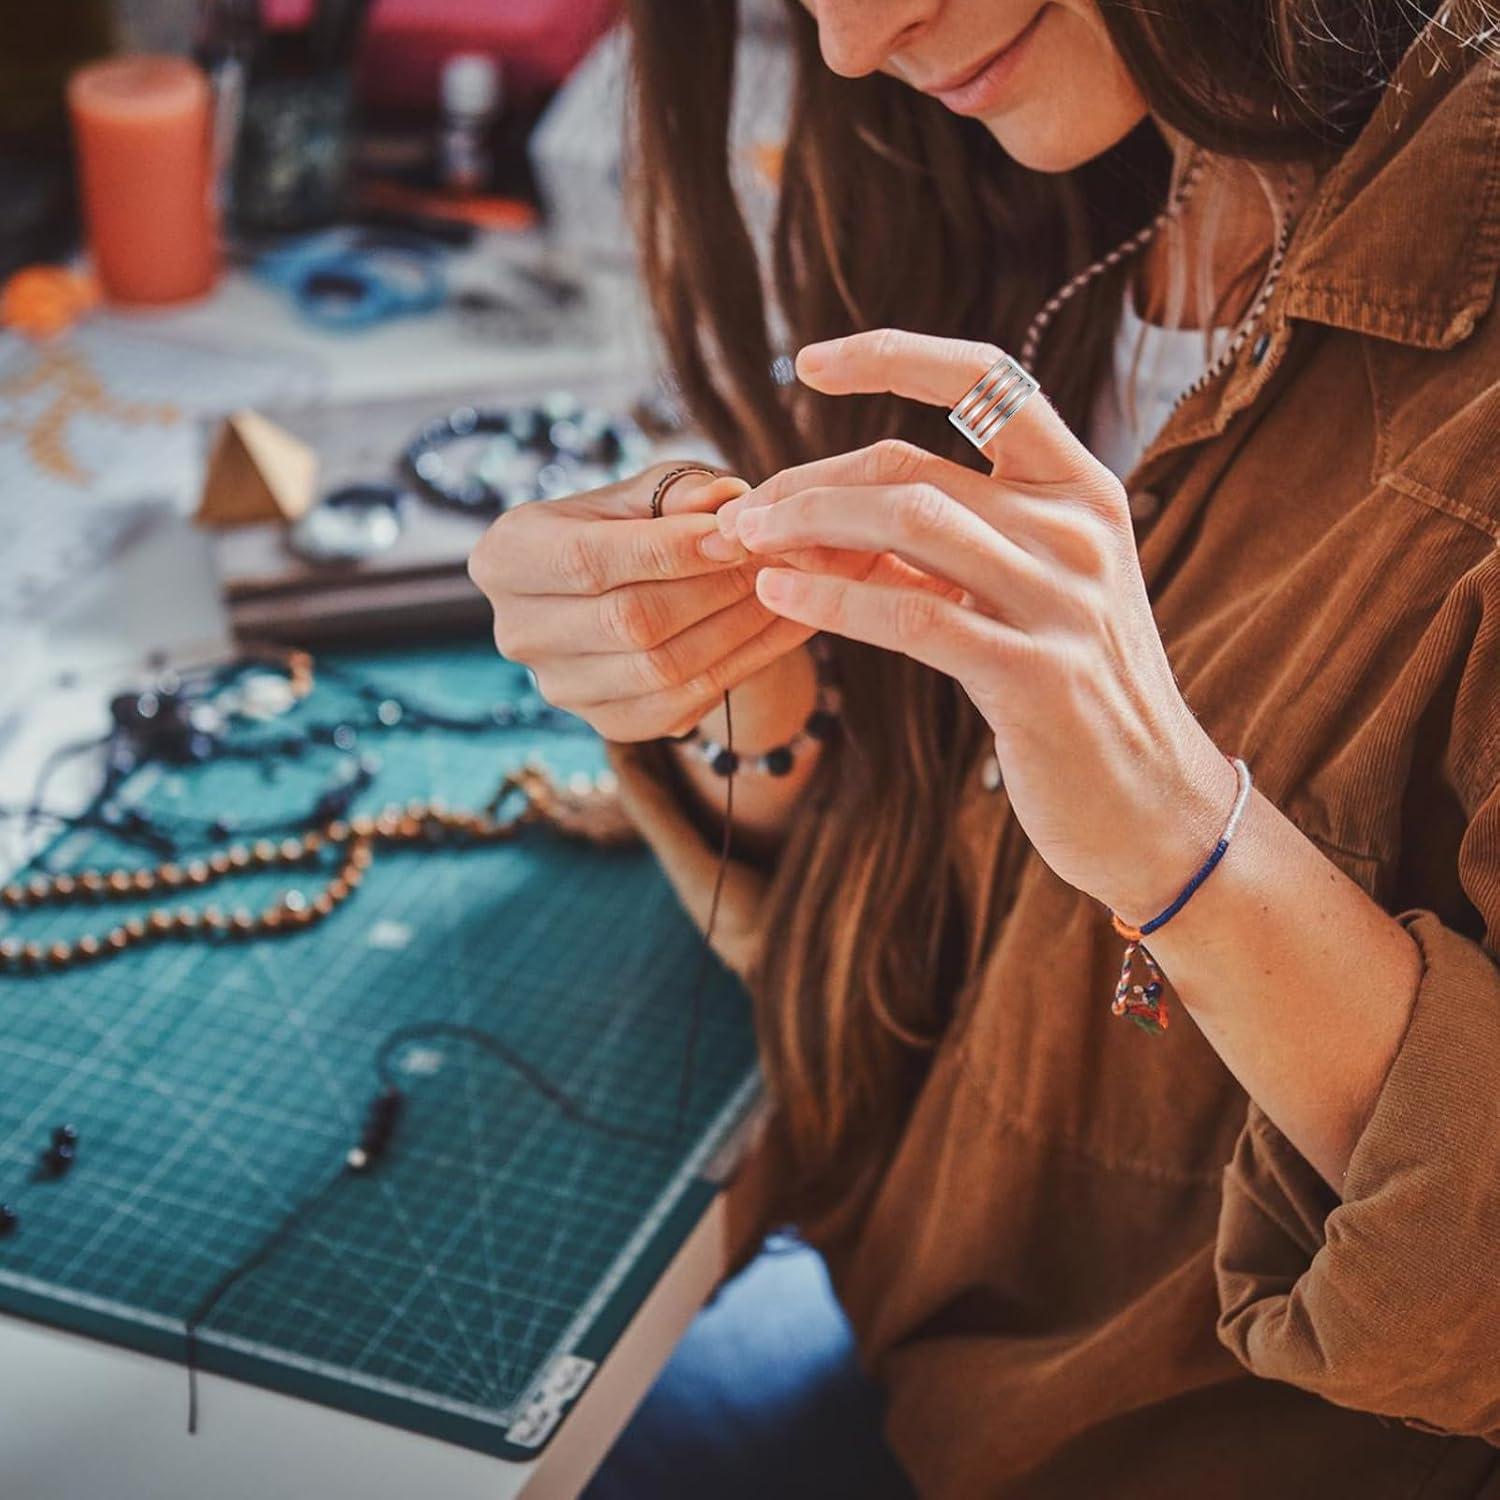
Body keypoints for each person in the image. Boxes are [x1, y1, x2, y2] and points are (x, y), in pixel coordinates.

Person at [468, 0, 1500, 1493]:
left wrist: (1181, 835)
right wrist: (740, 699)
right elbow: (941, 955)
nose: (852, 42)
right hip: (914, 1364)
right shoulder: (1087, 190)